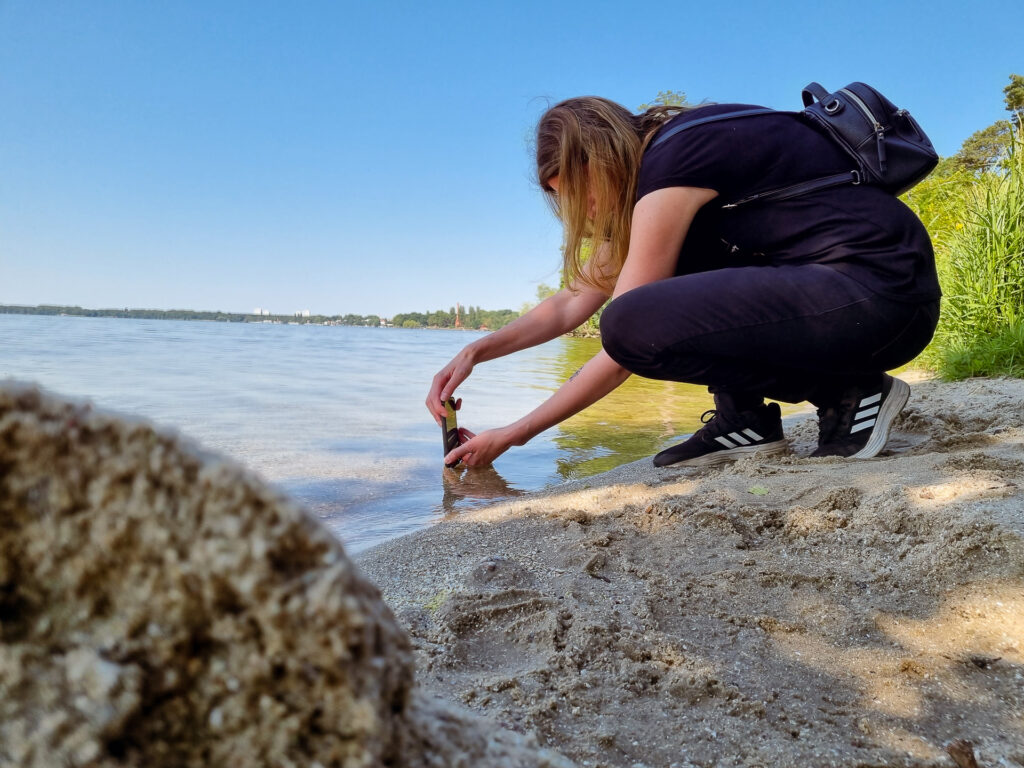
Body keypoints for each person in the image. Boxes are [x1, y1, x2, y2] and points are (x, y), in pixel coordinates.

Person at [426, 96, 940, 469]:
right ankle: (745, 420)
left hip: (881, 295)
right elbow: (572, 302)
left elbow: (626, 338)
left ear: (602, 158)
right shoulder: (664, 166)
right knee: (664, 289)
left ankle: (849, 391)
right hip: (859, 296)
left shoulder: (676, 162)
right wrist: (476, 351)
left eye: (583, 194)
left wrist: (515, 435)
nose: (585, 212)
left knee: (632, 322)